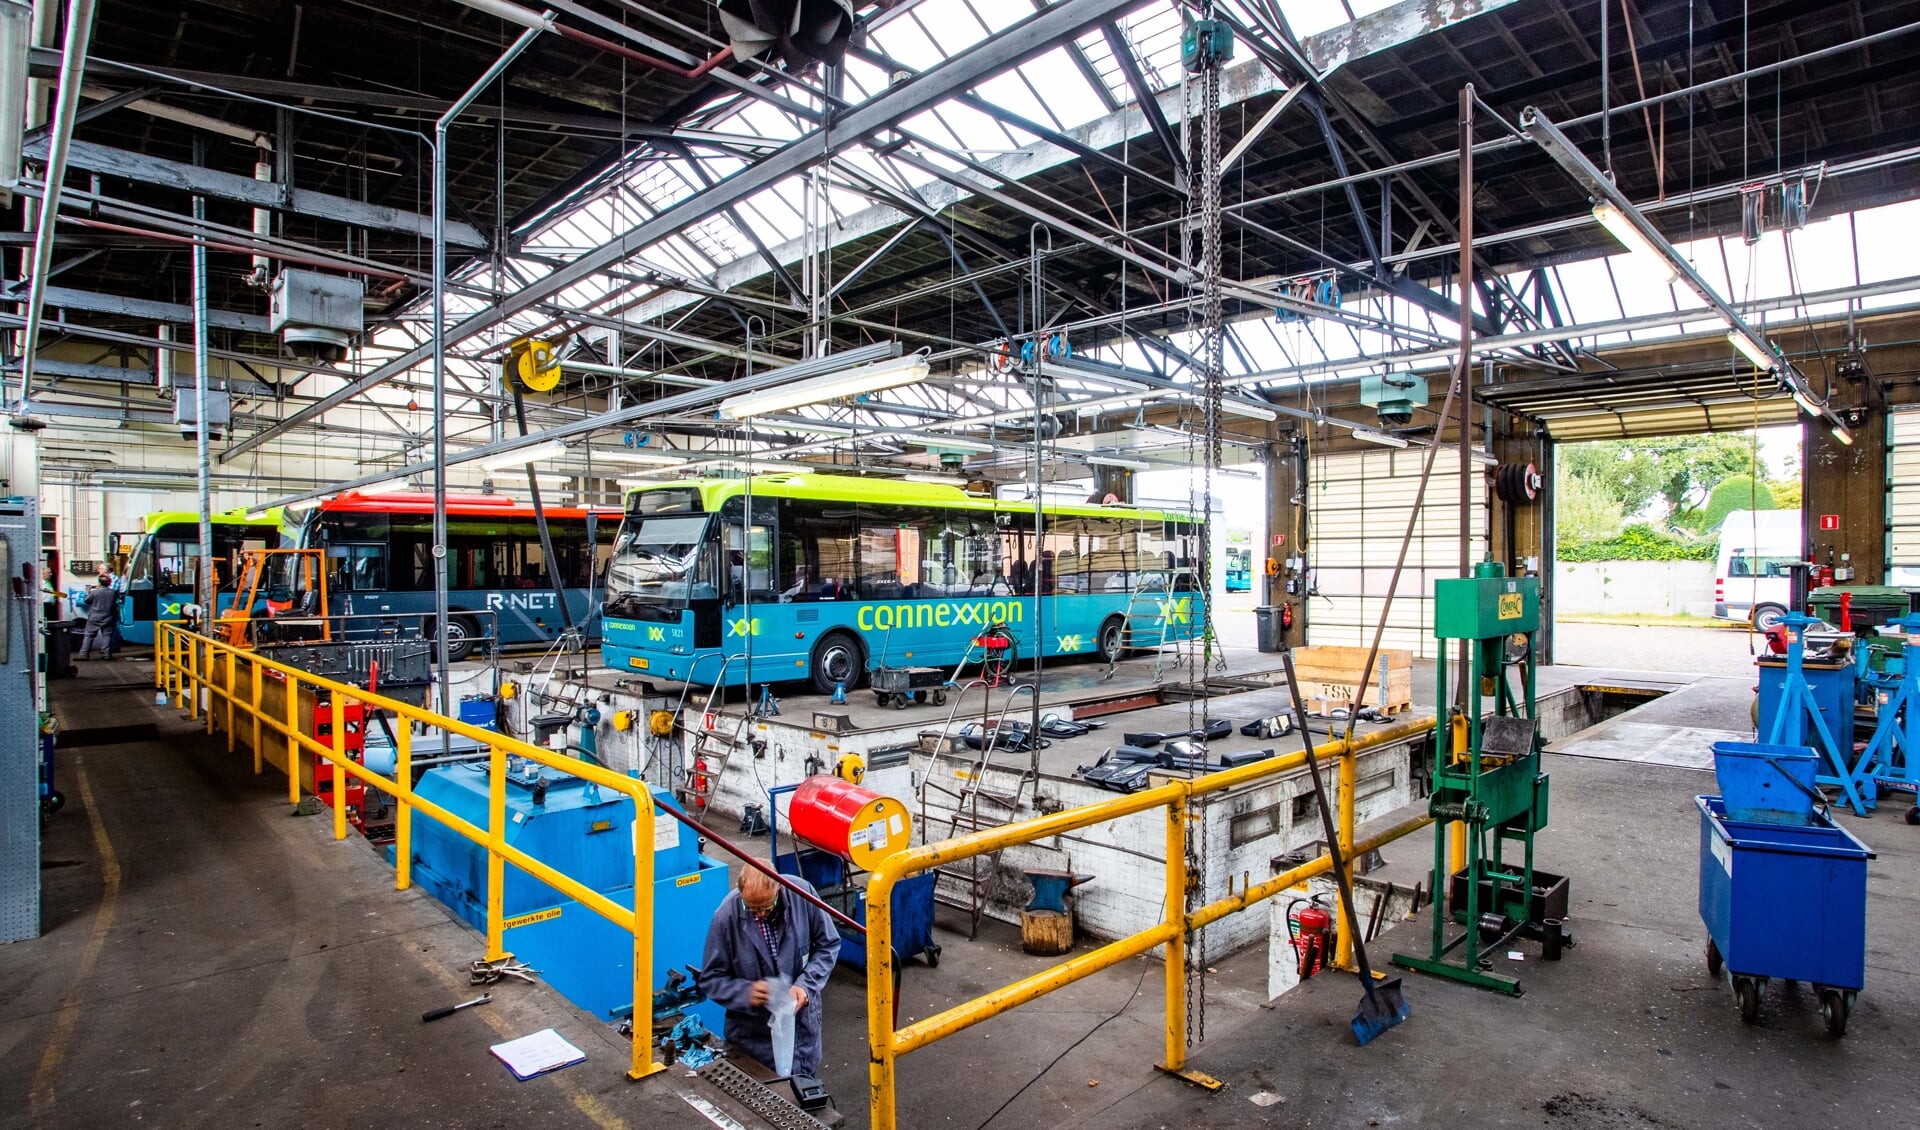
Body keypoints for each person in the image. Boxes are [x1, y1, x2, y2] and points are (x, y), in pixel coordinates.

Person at [697, 868, 840, 1077]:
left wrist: (805, 985)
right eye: (752, 909)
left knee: (805, 1090)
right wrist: (746, 992)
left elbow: (828, 944)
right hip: (752, 1037)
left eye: (766, 907)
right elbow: (710, 979)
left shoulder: (802, 894)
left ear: (779, 887)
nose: (760, 914)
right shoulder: (725, 917)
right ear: (740, 892)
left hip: (802, 1031)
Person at [79, 574, 118, 660]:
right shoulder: (113, 593)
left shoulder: (95, 592)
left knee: (89, 636)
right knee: (106, 636)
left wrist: (88, 591)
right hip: (108, 617)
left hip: (94, 617)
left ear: (99, 583)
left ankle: (84, 655)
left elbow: (87, 601)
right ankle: (106, 655)